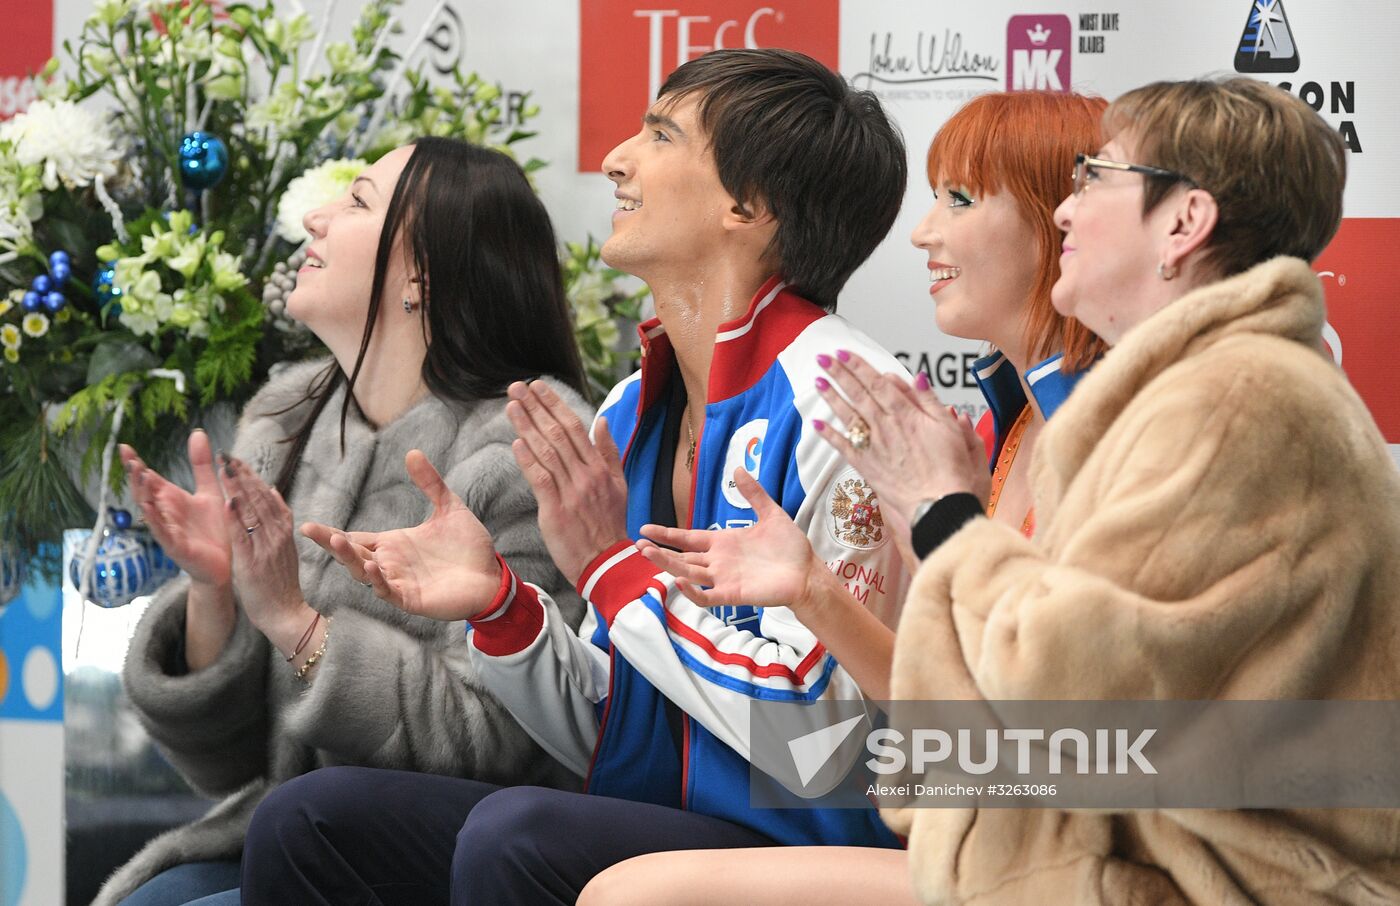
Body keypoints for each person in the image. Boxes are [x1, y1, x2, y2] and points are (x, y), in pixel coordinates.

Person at [241, 48, 911, 905]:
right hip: (653, 816)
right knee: (310, 819)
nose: (615, 159)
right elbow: (609, 721)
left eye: (660, 135)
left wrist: (612, 570)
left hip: (800, 836)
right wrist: (503, 610)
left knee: (515, 835)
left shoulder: (850, 405)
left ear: (749, 207)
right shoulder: (630, 409)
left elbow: (824, 740)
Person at [577, 90, 1110, 906]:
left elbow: (857, 753)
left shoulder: (1108, 433)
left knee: (594, 877)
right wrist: (501, 616)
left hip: (1060, 851)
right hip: (982, 828)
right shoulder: (1010, 428)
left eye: (960, 200)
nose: (925, 232)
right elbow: (943, 721)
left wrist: (616, 574)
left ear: (1063, 223)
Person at [874, 77, 1397, 903]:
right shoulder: (1215, 389)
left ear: (1185, 224)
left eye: (1095, 177)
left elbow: (1066, 698)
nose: (1065, 212)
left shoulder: (1234, 401)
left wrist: (946, 517)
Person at [98, 138, 591, 906]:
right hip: (280, 832)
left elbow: (491, 744)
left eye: (356, 202)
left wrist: (296, 623)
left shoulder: (528, 447)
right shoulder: (285, 416)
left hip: (437, 859)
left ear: (421, 276)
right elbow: (228, 771)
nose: (316, 219)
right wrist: (215, 590)